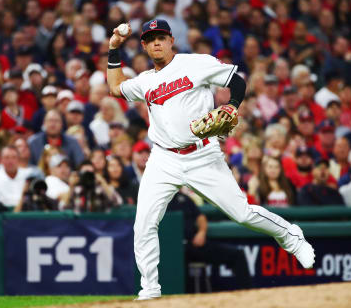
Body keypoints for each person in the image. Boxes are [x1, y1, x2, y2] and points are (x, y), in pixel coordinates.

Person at [106, 19, 315, 300]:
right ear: (144, 45)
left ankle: (291, 237)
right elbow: (115, 88)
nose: (156, 43)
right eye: (150, 39)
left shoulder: (196, 63)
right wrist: (113, 49)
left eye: (161, 37)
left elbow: (236, 82)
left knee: (241, 212)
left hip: (202, 155)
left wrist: (231, 105)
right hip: (163, 158)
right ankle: (150, 290)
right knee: (144, 222)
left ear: (171, 41)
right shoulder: (145, 81)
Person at [167, 191, 251, 292]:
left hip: (194, 244)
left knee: (237, 254)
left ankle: (247, 293)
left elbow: (200, 217)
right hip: (172, 250)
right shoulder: (156, 199)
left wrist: (201, 232)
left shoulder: (184, 198)